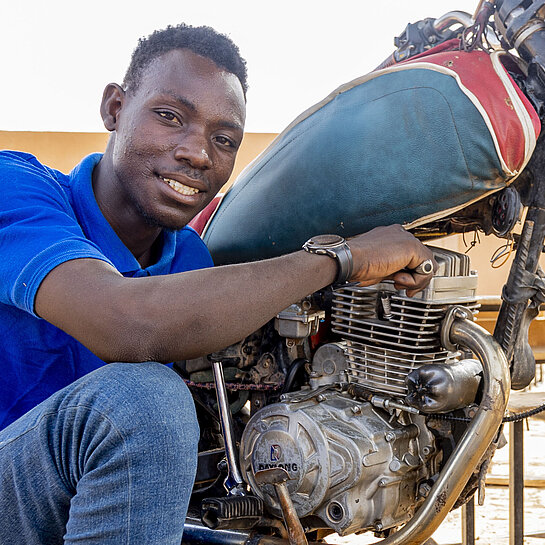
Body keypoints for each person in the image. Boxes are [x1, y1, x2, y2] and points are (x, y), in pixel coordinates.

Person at [0, 23, 434, 545]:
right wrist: (339, 258)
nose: (197, 153)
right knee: (144, 401)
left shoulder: (189, 258)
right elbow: (125, 323)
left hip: (86, 511)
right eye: (170, 117)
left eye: (223, 139)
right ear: (115, 108)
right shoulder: (18, 188)